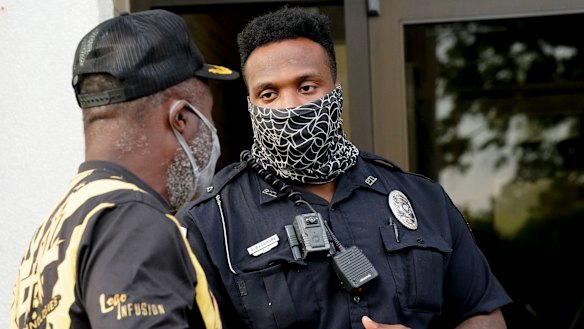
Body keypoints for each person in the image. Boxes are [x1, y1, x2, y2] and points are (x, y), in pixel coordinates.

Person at [176, 6, 511, 329]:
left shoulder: (423, 199)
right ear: (251, 105)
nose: (290, 106)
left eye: (306, 87)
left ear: (335, 92)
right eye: (268, 94)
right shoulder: (211, 222)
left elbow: (483, 314)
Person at [10, 9, 239, 329]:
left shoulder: (63, 223)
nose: (213, 132)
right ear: (182, 119)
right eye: (208, 117)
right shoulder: (133, 223)